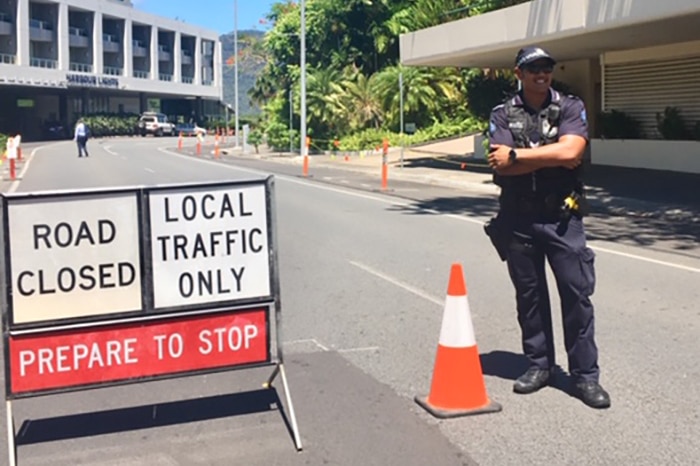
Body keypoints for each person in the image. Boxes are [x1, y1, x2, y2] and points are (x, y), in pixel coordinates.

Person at [485, 46, 610, 409]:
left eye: (547, 68)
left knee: (576, 297)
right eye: (533, 68)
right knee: (530, 298)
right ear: (518, 73)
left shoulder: (570, 107)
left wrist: (519, 156)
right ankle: (539, 366)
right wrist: (547, 156)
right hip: (519, 219)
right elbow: (500, 165)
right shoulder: (502, 113)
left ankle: (585, 377)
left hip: (562, 220)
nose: (541, 73)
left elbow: (572, 153)